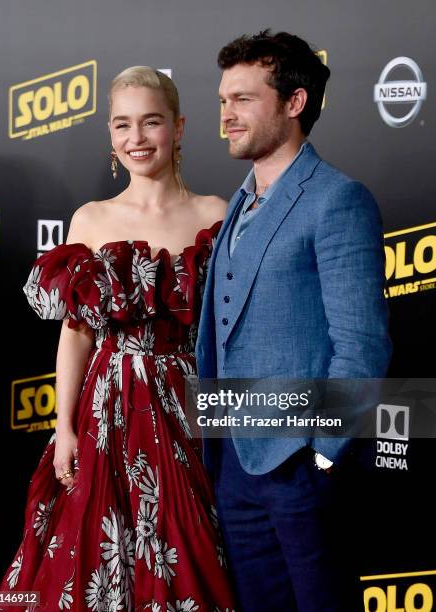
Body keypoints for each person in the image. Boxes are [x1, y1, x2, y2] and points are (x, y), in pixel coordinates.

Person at [0, 66, 236, 612]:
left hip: (190, 409)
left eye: (150, 122)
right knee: (98, 564)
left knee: (194, 553)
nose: (136, 138)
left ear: (178, 128)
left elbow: (231, 330)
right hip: (106, 412)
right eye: (122, 125)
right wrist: (62, 427)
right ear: (110, 135)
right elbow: (75, 335)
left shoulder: (217, 214)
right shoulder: (91, 220)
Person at [195, 31, 392, 611]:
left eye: (244, 100)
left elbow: (361, 346)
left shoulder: (337, 199)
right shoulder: (236, 203)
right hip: (235, 466)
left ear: (294, 102)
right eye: (223, 101)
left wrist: (324, 454)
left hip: (302, 467)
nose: (227, 116)